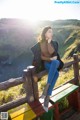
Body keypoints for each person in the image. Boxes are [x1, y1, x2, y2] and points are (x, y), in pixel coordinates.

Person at [39, 26, 60, 112]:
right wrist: (50, 59)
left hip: (54, 62)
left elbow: (53, 53)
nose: (51, 33)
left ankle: (46, 88)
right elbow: (41, 57)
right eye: (49, 32)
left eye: (52, 32)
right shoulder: (41, 43)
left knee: (56, 62)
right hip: (47, 63)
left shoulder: (53, 43)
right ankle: (47, 97)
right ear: (45, 33)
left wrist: (49, 43)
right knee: (57, 73)